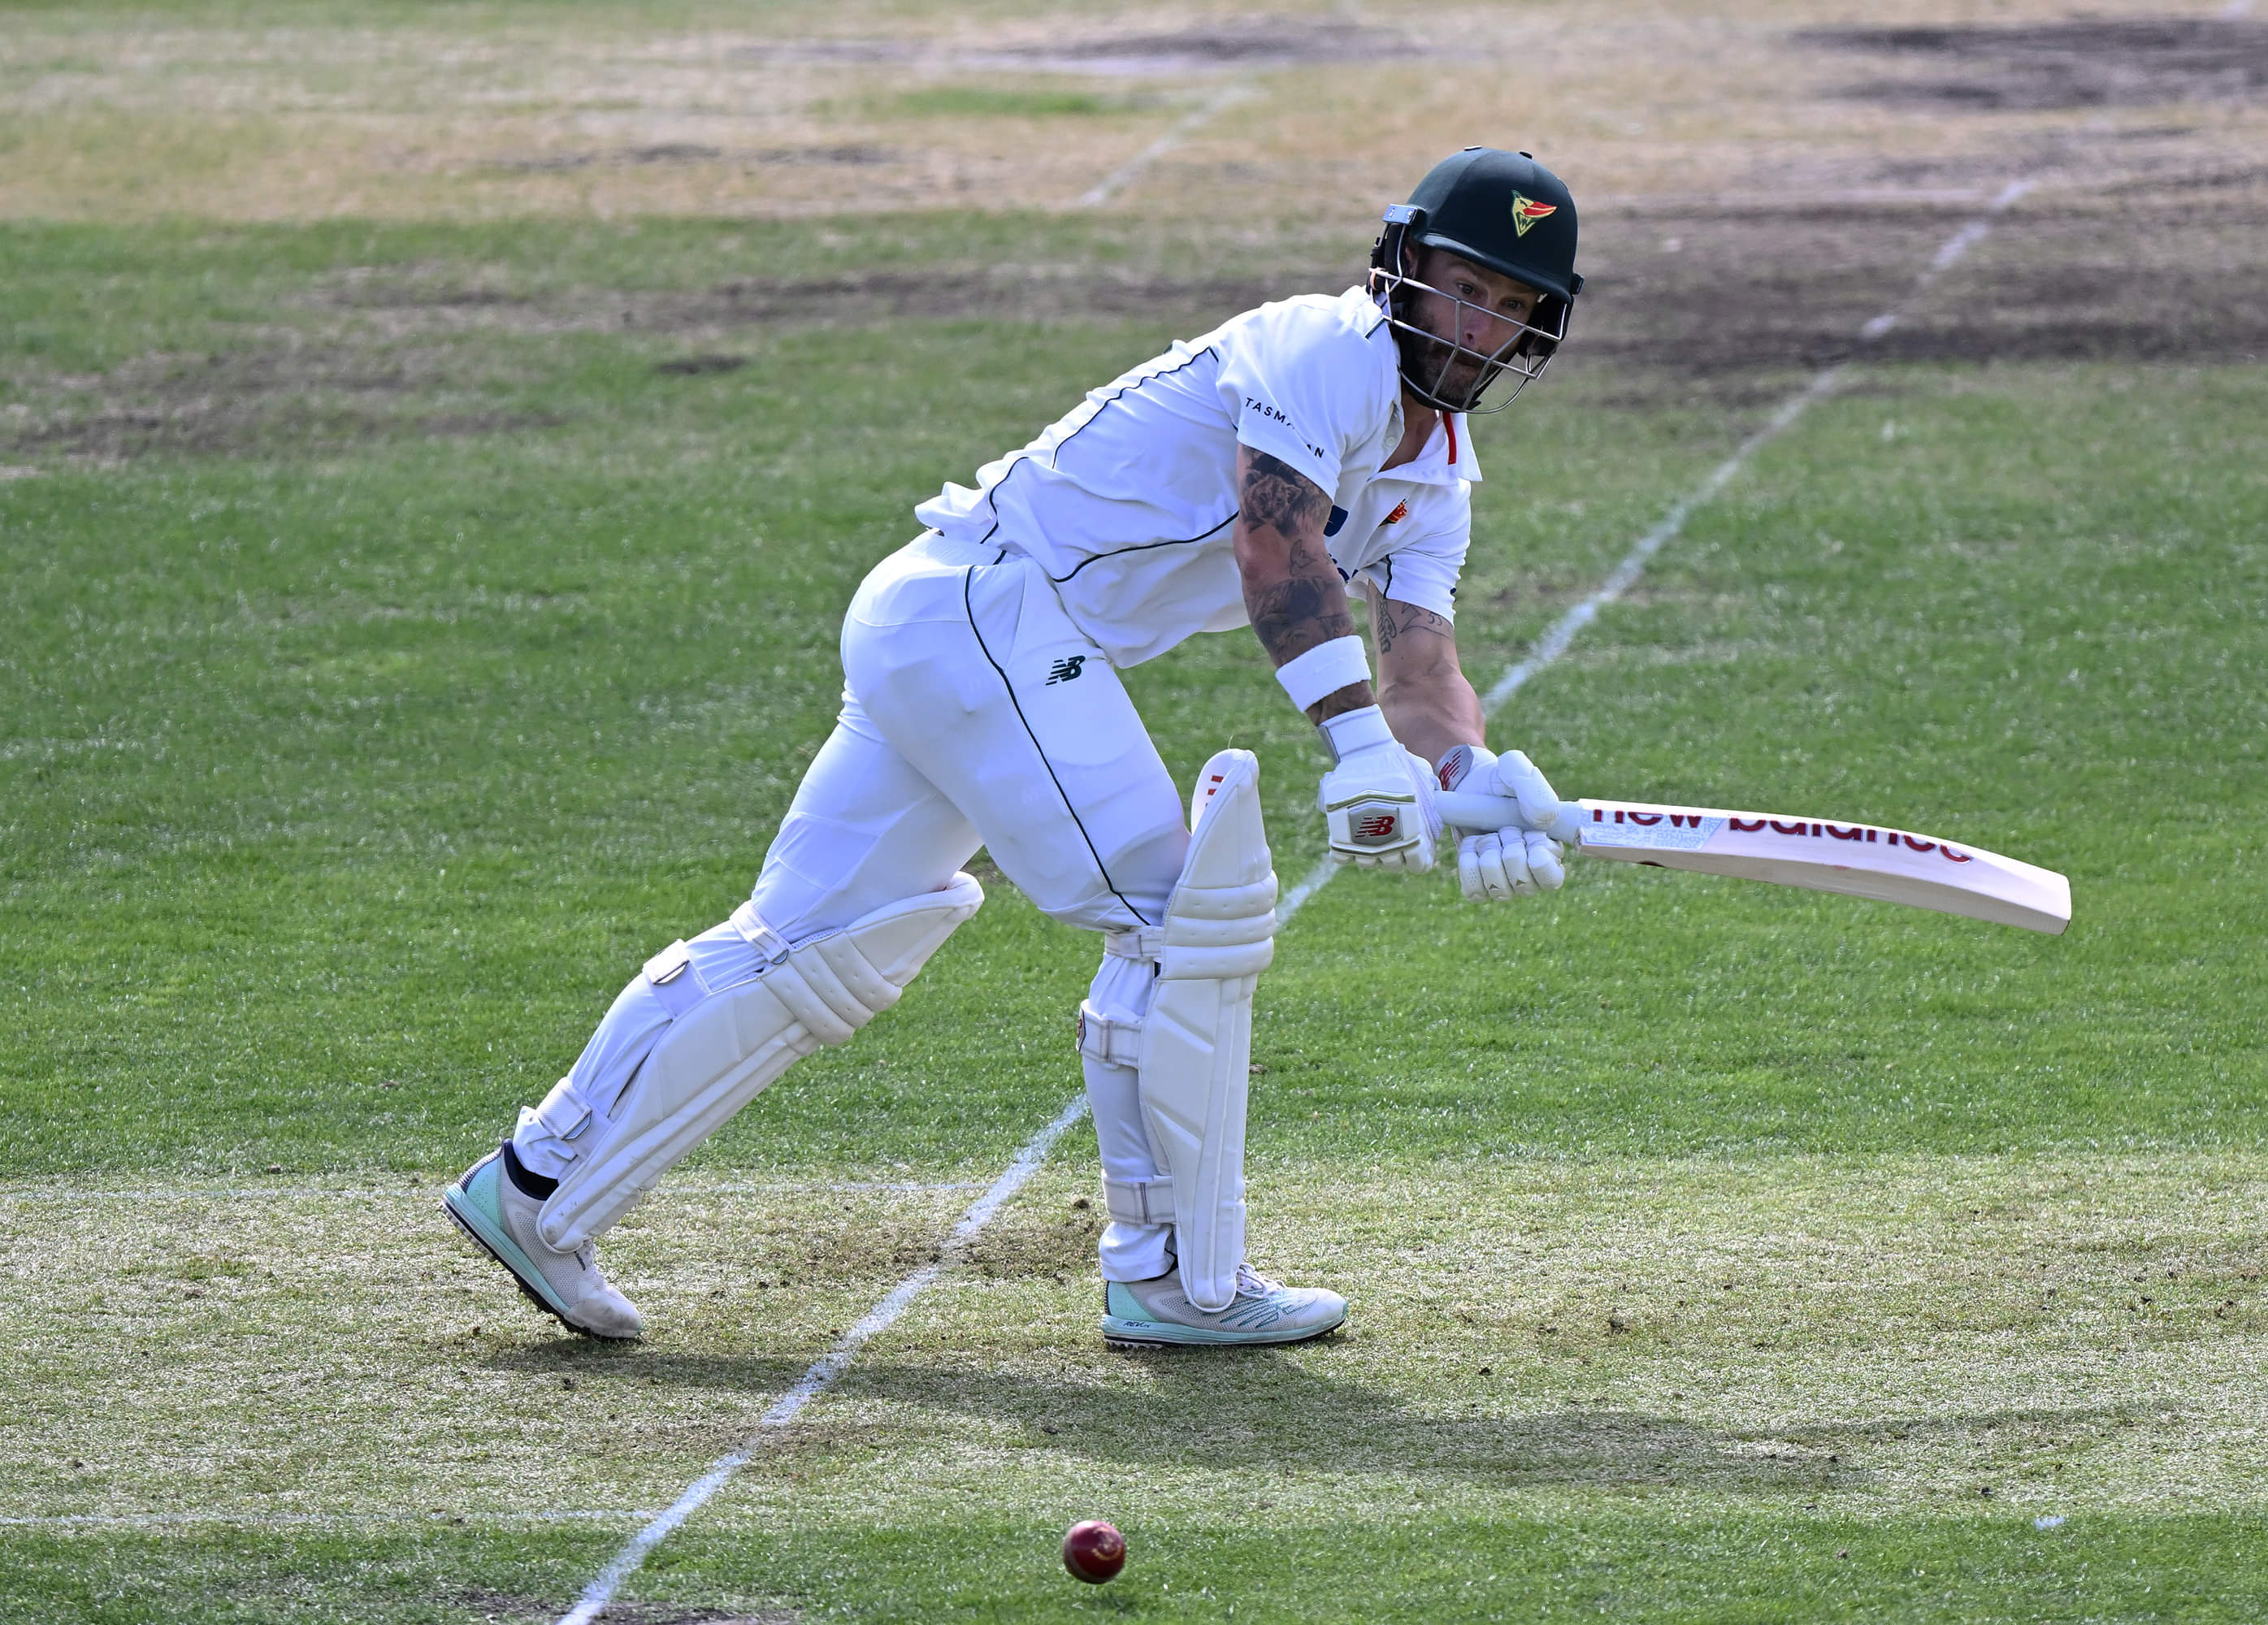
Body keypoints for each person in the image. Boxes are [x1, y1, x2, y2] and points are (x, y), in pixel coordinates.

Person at [443, 146, 1585, 1349]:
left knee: (810, 948)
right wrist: (1353, 747)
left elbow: (1421, 663)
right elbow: (1276, 543)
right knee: (1181, 923)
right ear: (1403, 265)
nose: (1479, 325)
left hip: (961, 630)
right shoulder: (1322, 349)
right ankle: (1173, 1276)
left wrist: (1468, 775)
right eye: (1467, 285)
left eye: (1513, 309)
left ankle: (535, 1187)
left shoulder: (1441, 477)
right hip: (988, 612)